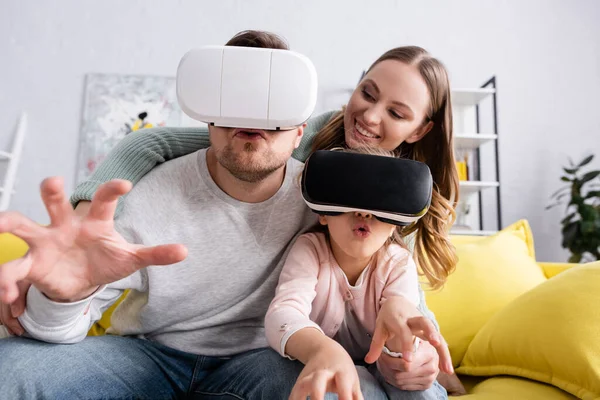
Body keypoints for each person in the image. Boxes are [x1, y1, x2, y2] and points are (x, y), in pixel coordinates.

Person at [0, 30, 453, 399]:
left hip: (266, 360)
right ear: (209, 117)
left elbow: (394, 289)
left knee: (346, 389)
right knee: (10, 369)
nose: (254, 123)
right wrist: (62, 297)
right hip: (149, 355)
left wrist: (414, 353)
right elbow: (155, 143)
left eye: (273, 114)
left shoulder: (331, 200)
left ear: (300, 130)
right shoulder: (150, 191)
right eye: (236, 108)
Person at [267, 147, 452, 400]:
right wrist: (322, 351)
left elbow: (401, 319)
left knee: (418, 390)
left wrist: (401, 339)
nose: (364, 212)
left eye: (380, 203)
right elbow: (284, 313)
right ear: (323, 213)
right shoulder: (310, 250)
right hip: (323, 361)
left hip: (382, 366)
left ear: (394, 225)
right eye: (350, 197)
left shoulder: (398, 262)